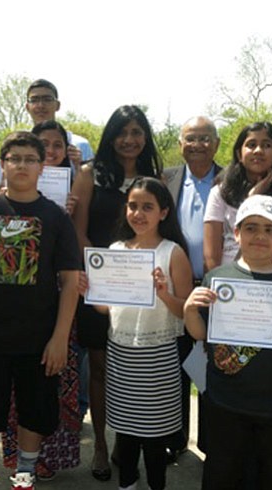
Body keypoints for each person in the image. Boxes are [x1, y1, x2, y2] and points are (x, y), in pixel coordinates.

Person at [0, 131, 80, 490]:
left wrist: (58, 339)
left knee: (34, 414)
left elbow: (70, 281)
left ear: (42, 167)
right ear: (3, 165)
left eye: (30, 159)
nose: (22, 165)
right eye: (14, 158)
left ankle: (24, 477)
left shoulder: (55, 218)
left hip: (39, 341)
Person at [184, 194, 272, 490]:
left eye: (270, 229)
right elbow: (200, 334)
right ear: (236, 234)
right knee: (223, 471)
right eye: (250, 228)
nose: (260, 235)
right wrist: (189, 310)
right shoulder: (217, 278)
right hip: (226, 399)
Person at [80, 177, 192, 490]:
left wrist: (163, 293)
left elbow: (185, 310)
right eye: (132, 205)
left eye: (147, 207)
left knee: (155, 440)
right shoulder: (116, 250)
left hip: (157, 356)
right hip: (121, 353)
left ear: (164, 213)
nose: (138, 213)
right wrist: (90, 292)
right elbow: (106, 310)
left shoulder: (173, 253)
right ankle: (126, 485)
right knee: (126, 435)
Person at [71, 105, 163, 481]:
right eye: (122, 132)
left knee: (136, 366)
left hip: (142, 288)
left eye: (137, 132)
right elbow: (77, 231)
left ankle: (133, 443)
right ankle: (101, 446)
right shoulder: (90, 174)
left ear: (145, 137)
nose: (129, 139)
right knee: (100, 367)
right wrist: (101, 274)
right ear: (110, 136)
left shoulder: (152, 177)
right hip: (101, 284)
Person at [1, 121, 81, 481]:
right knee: (22, 389)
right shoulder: (7, 196)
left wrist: (73, 209)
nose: (50, 151)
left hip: (59, 305)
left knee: (54, 383)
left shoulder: (74, 188)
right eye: (43, 146)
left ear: (65, 151)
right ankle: (22, 462)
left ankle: (49, 458)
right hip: (17, 314)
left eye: (57, 145)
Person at [163, 115, 222, 457]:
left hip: (218, 289)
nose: (197, 144)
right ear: (180, 144)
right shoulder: (166, 178)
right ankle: (177, 440)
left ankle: (213, 441)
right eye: (190, 138)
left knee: (215, 366)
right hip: (177, 290)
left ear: (216, 144)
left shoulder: (231, 180)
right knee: (178, 366)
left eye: (204, 138)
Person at [203, 121, 272, 273]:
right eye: (251, 145)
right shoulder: (220, 192)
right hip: (229, 278)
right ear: (239, 154)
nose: (258, 151)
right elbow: (211, 256)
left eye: (266, 145)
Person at [0, 78, 93, 182]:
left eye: (47, 99)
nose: (41, 105)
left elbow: (92, 189)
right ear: (27, 107)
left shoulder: (81, 145)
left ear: (57, 105)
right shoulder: (14, 145)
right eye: (34, 100)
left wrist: (79, 166)